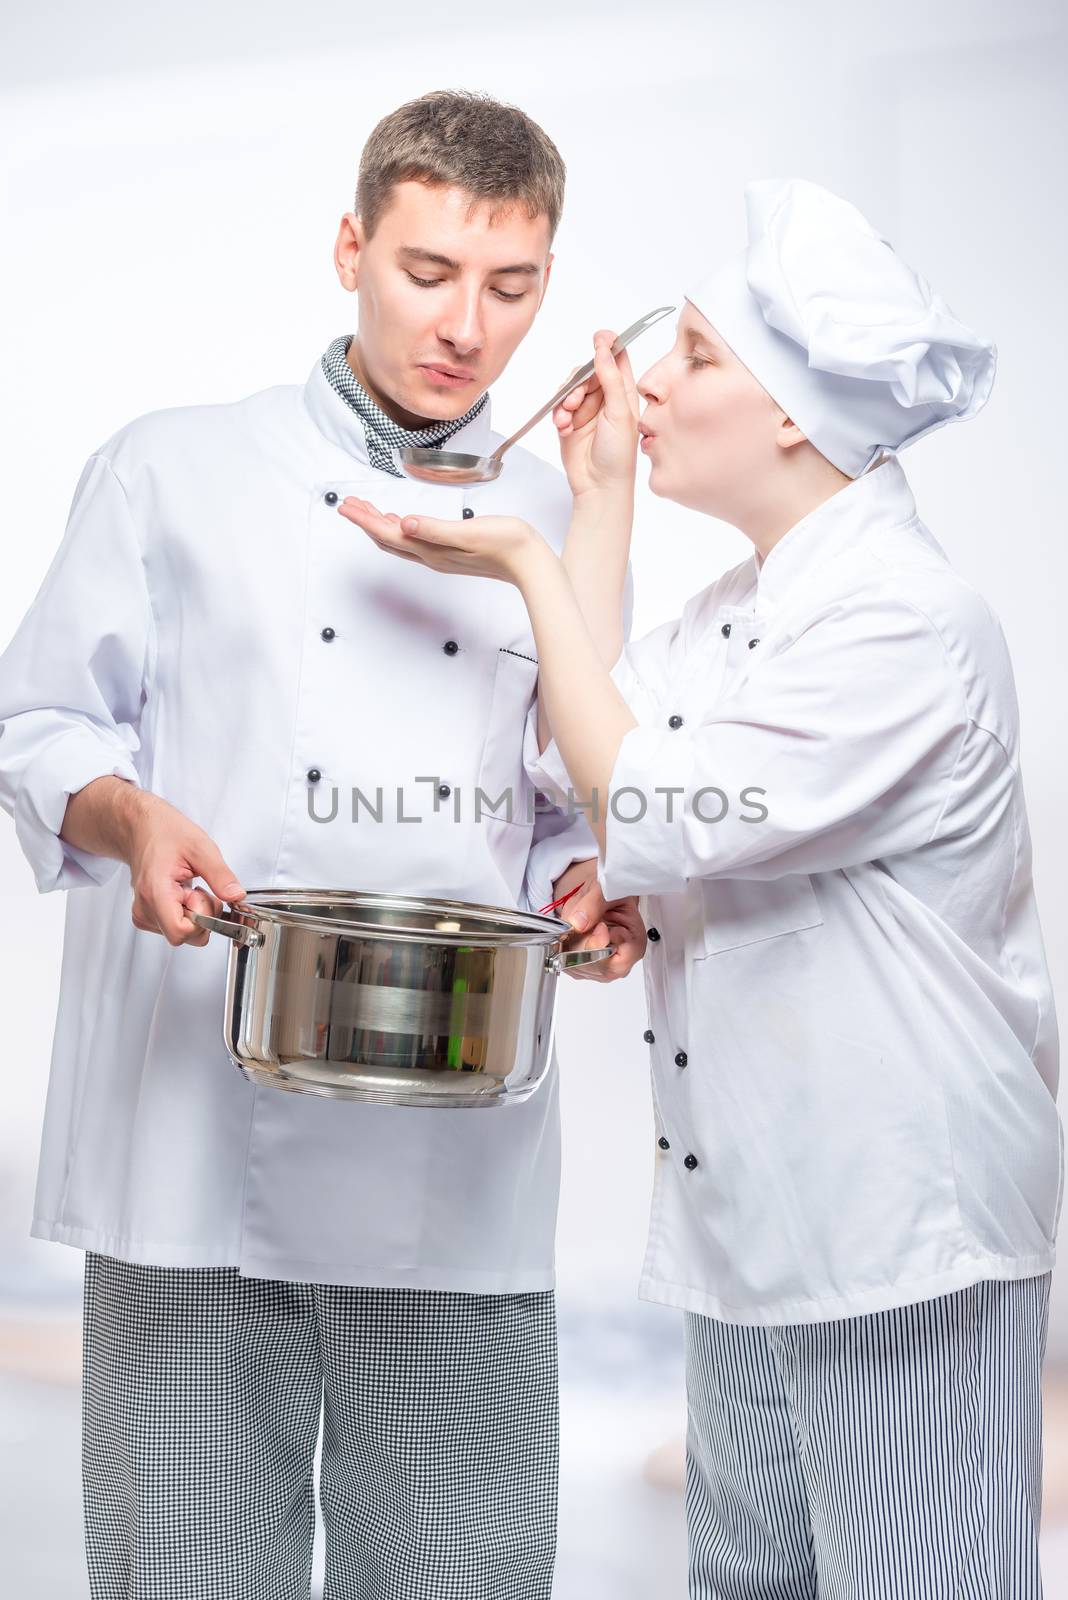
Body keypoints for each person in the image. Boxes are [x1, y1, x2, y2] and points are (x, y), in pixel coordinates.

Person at [340, 178, 1062, 1597]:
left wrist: (534, 561)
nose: (649, 381)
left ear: (794, 415)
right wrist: (598, 505)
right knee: (747, 1584)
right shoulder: (743, 612)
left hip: (896, 1225)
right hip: (749, 1218)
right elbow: (573, 743)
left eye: (700, 360)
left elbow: (649, 807)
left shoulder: (908, 624)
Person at [0, 89, 645, 1600]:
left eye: (511, 289)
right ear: (350, 245)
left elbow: (581, 786)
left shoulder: (558, 514)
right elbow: (35, 732)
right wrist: (129, 814)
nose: (467, 329)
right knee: (182, 1578)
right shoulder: (174, 470)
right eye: (427, 273)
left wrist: (598, 887)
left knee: (464, 1577)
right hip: (194, 1152)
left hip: (453, 1161)